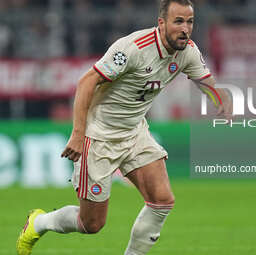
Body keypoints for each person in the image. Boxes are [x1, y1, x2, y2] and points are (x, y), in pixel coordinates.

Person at [16, 0, 231, 254]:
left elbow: (208, 84)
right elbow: (86, 82)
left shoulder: (188, 52)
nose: (185, 28)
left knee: (162, 201)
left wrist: (223, 101)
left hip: (134, 133)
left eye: (190, 22)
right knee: (91, 224)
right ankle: (39, 222)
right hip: (98, 137)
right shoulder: (132, 49)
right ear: (161, 23)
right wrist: (77, 134)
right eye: (178, 21)